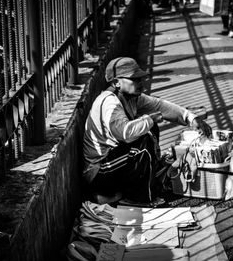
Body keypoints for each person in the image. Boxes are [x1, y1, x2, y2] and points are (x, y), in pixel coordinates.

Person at [83, 57, 212, 204]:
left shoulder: (132, 97)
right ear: (116, 83)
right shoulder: (110, 103)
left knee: (149, 131)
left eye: (140, 79)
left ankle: (123, 194)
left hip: (112, 163)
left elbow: (160, 106)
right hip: (98, 172)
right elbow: (125, 133)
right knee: (142, 148)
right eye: (134, 80)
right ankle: (138, 199)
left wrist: (191, 118)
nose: (140, 83)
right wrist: (149, 119)